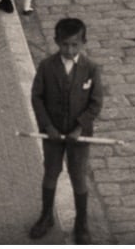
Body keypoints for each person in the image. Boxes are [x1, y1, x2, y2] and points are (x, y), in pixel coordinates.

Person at [29, 17, 103, 244]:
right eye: (64, 45)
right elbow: (37, 97)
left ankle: (81, 224)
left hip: (78, 137)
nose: (69, 50)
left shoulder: (91, 68)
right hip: (52, 134)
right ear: (56, 42)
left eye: (74, 45)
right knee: (51, 173)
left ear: (83, 43)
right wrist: (48, 126)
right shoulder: (46, 66)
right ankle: (46, 216)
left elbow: (95, 102)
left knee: (78, 176)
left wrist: (80, 127)